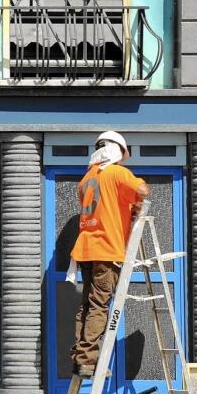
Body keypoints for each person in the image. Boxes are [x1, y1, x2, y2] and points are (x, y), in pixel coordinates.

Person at [68, 130, 150, 378]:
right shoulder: (116, 172)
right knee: (99, 305)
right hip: (107, 248)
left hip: (86, 248)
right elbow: (143, 190)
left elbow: (109, 204)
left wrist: (129, 207)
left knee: (87, 304)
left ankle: (80, 357)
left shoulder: (86, 179)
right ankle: (87, 360)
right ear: (117, 151)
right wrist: (138, 204)